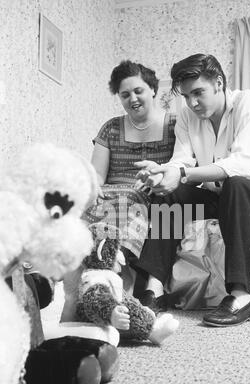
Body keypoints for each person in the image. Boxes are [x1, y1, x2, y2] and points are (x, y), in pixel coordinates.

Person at [133, 53, 250, 327]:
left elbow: (243, 162)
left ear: (218, 82)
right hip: (218, 195)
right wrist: (163, 174)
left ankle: (241, 296)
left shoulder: (247, 102)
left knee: (236, 184)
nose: (192, 103)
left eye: (198, 93)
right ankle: (153, 291)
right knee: (170, 194)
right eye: (187, 96)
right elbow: (182, 160)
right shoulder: (188, 115)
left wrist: (180, 173)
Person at [60, 60, 176, 323]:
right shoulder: (111, 128)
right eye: (125, 95)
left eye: (138, 91)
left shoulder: (175, 125)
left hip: (149, 194)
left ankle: (115, 279)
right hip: (111, 191)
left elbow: (179, 165)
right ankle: (83, 287)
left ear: (153, 89)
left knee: (129, 203)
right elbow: (98, 174)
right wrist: (94, 188)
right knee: (86, 207)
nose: (132, 99)